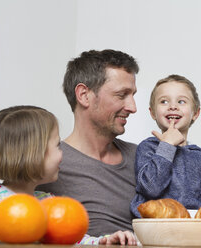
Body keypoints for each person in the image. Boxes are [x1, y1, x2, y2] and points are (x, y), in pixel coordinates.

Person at [0, 105, 135, 245]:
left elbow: (74, 239)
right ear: (35, 154)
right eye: (57, 146)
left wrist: (104, 241)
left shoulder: (49, 202)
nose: (62, 153)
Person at [37, 49, 139, 236]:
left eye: (132, 95)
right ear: (84, 95)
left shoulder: (143, 157)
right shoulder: (46, 164)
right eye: (121, 95)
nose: (133, 107)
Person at [130, 74, 201, 217]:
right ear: (152, 113)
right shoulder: (148, 148)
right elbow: (151, 188)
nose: (173, 107)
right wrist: (167, 146)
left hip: (189, 230)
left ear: (195, 113)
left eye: (181, 101)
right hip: (153, 228)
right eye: (164, 101)